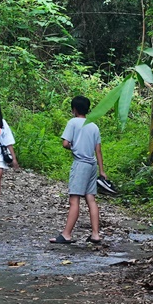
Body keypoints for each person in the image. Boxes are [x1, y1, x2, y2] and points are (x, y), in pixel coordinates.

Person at [50, 95, 104, 244]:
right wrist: (102, 171)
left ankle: (66, 234)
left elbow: (65, 143)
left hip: (80, 164)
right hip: (92, 165)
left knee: (74, 200)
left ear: (74, 109)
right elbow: (98, 150)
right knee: (91, 199)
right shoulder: (93, 126)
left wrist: (73, 146)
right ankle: (95, 234)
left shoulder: (73, 122)